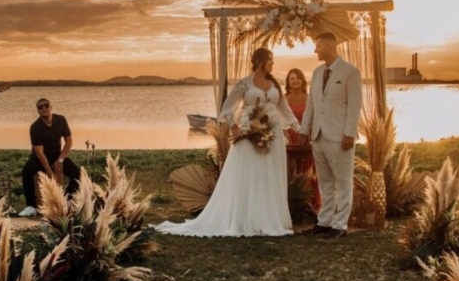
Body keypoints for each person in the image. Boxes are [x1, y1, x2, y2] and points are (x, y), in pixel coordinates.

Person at [154, 47, 300, 237]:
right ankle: (245, 218)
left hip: (273, 136)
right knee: (250, 174)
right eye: (270, 60)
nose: (273, 63)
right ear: (259, 61)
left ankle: (269, 218)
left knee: (268, 176)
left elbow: (285, 111)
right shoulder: (245, 84)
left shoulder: (275, 85)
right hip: (248, 133)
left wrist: (300, 129)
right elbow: (227, 108)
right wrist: (236, 128)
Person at [298, 32, 362, 238]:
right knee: (324, 181)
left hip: (340, 136)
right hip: (318, 135)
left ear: (330, 46)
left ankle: (340, 225)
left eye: (318, 46)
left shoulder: (350, 72)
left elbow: (354, 105)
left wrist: (349, 134)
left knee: (343, 181)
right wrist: (303, 130)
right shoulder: (317, 73)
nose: (315, 50)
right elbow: (311, 106)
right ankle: (324, 221)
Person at [18, 98, 81, 217]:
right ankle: (31, 206)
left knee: (79, 175)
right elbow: (39, 152)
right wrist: (50, 172)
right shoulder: (35, 127)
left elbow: (69, 141)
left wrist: (60, 160)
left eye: (46, 105)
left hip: (57, 156)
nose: (43, 108)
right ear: (38, 111)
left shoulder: (61, 120)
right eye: (40, 107)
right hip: (40, 157)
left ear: (51, 107)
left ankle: (66, 199)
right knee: (27, 171)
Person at [285, 67, 320, 212]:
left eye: (297, 77)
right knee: (291, 170)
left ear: (302, 80)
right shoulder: (284, 98)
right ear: (288, 82)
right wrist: (285, 135)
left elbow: (315, 116)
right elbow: (280, 118)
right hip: (290, 137)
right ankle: (293, 202)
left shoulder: (309, 98)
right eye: (291, 78)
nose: (295, 81)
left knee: (309, 170)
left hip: (308, 137)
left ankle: (312, 202)